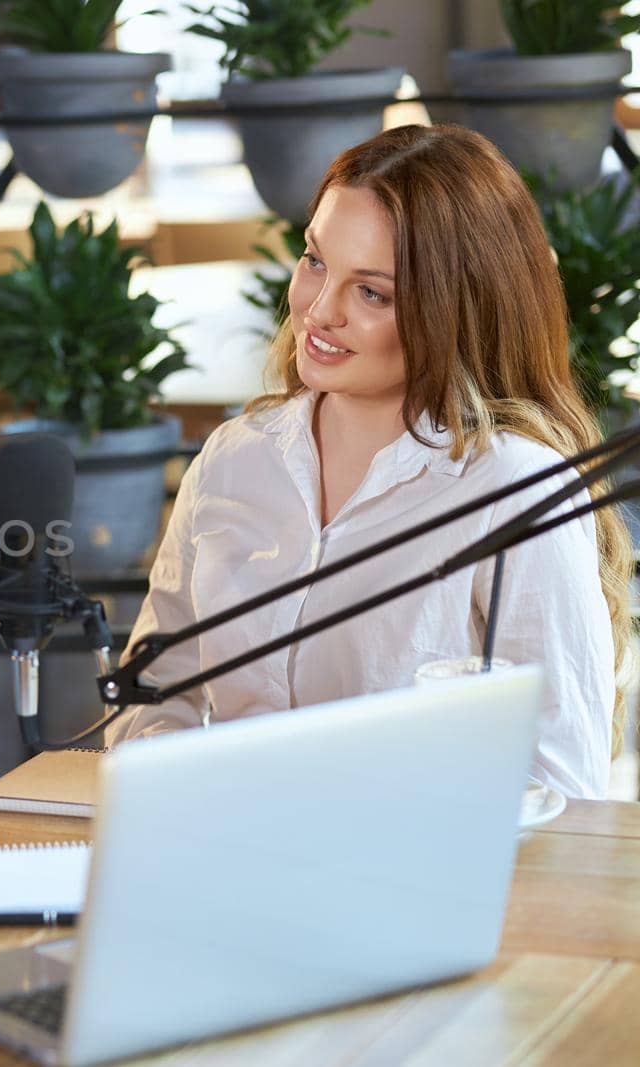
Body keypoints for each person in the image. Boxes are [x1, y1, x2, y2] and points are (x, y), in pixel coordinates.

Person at [105, 124, 632, 800]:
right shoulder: (236, 460)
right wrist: (191, 782)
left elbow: (562, 784)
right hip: (231, 865)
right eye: (315, 260)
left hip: (418, 889)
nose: (318, 311)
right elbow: (149, 695)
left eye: (372, 292)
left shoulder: (518, 490)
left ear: (452, 311)